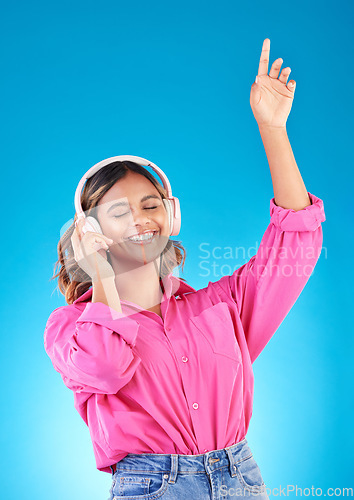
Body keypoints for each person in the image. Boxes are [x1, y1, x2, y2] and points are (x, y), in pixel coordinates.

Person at [44, 38, 326, 500]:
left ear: (170, 217)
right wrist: (102, 277)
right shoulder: (69, 328)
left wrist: (273, 130)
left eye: (150, 204)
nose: (140, 218)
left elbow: (296, 244)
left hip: (241, 480)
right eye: (119, 212)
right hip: (151, 486)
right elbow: (108, 368)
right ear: (90, 231)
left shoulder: (221, 308)